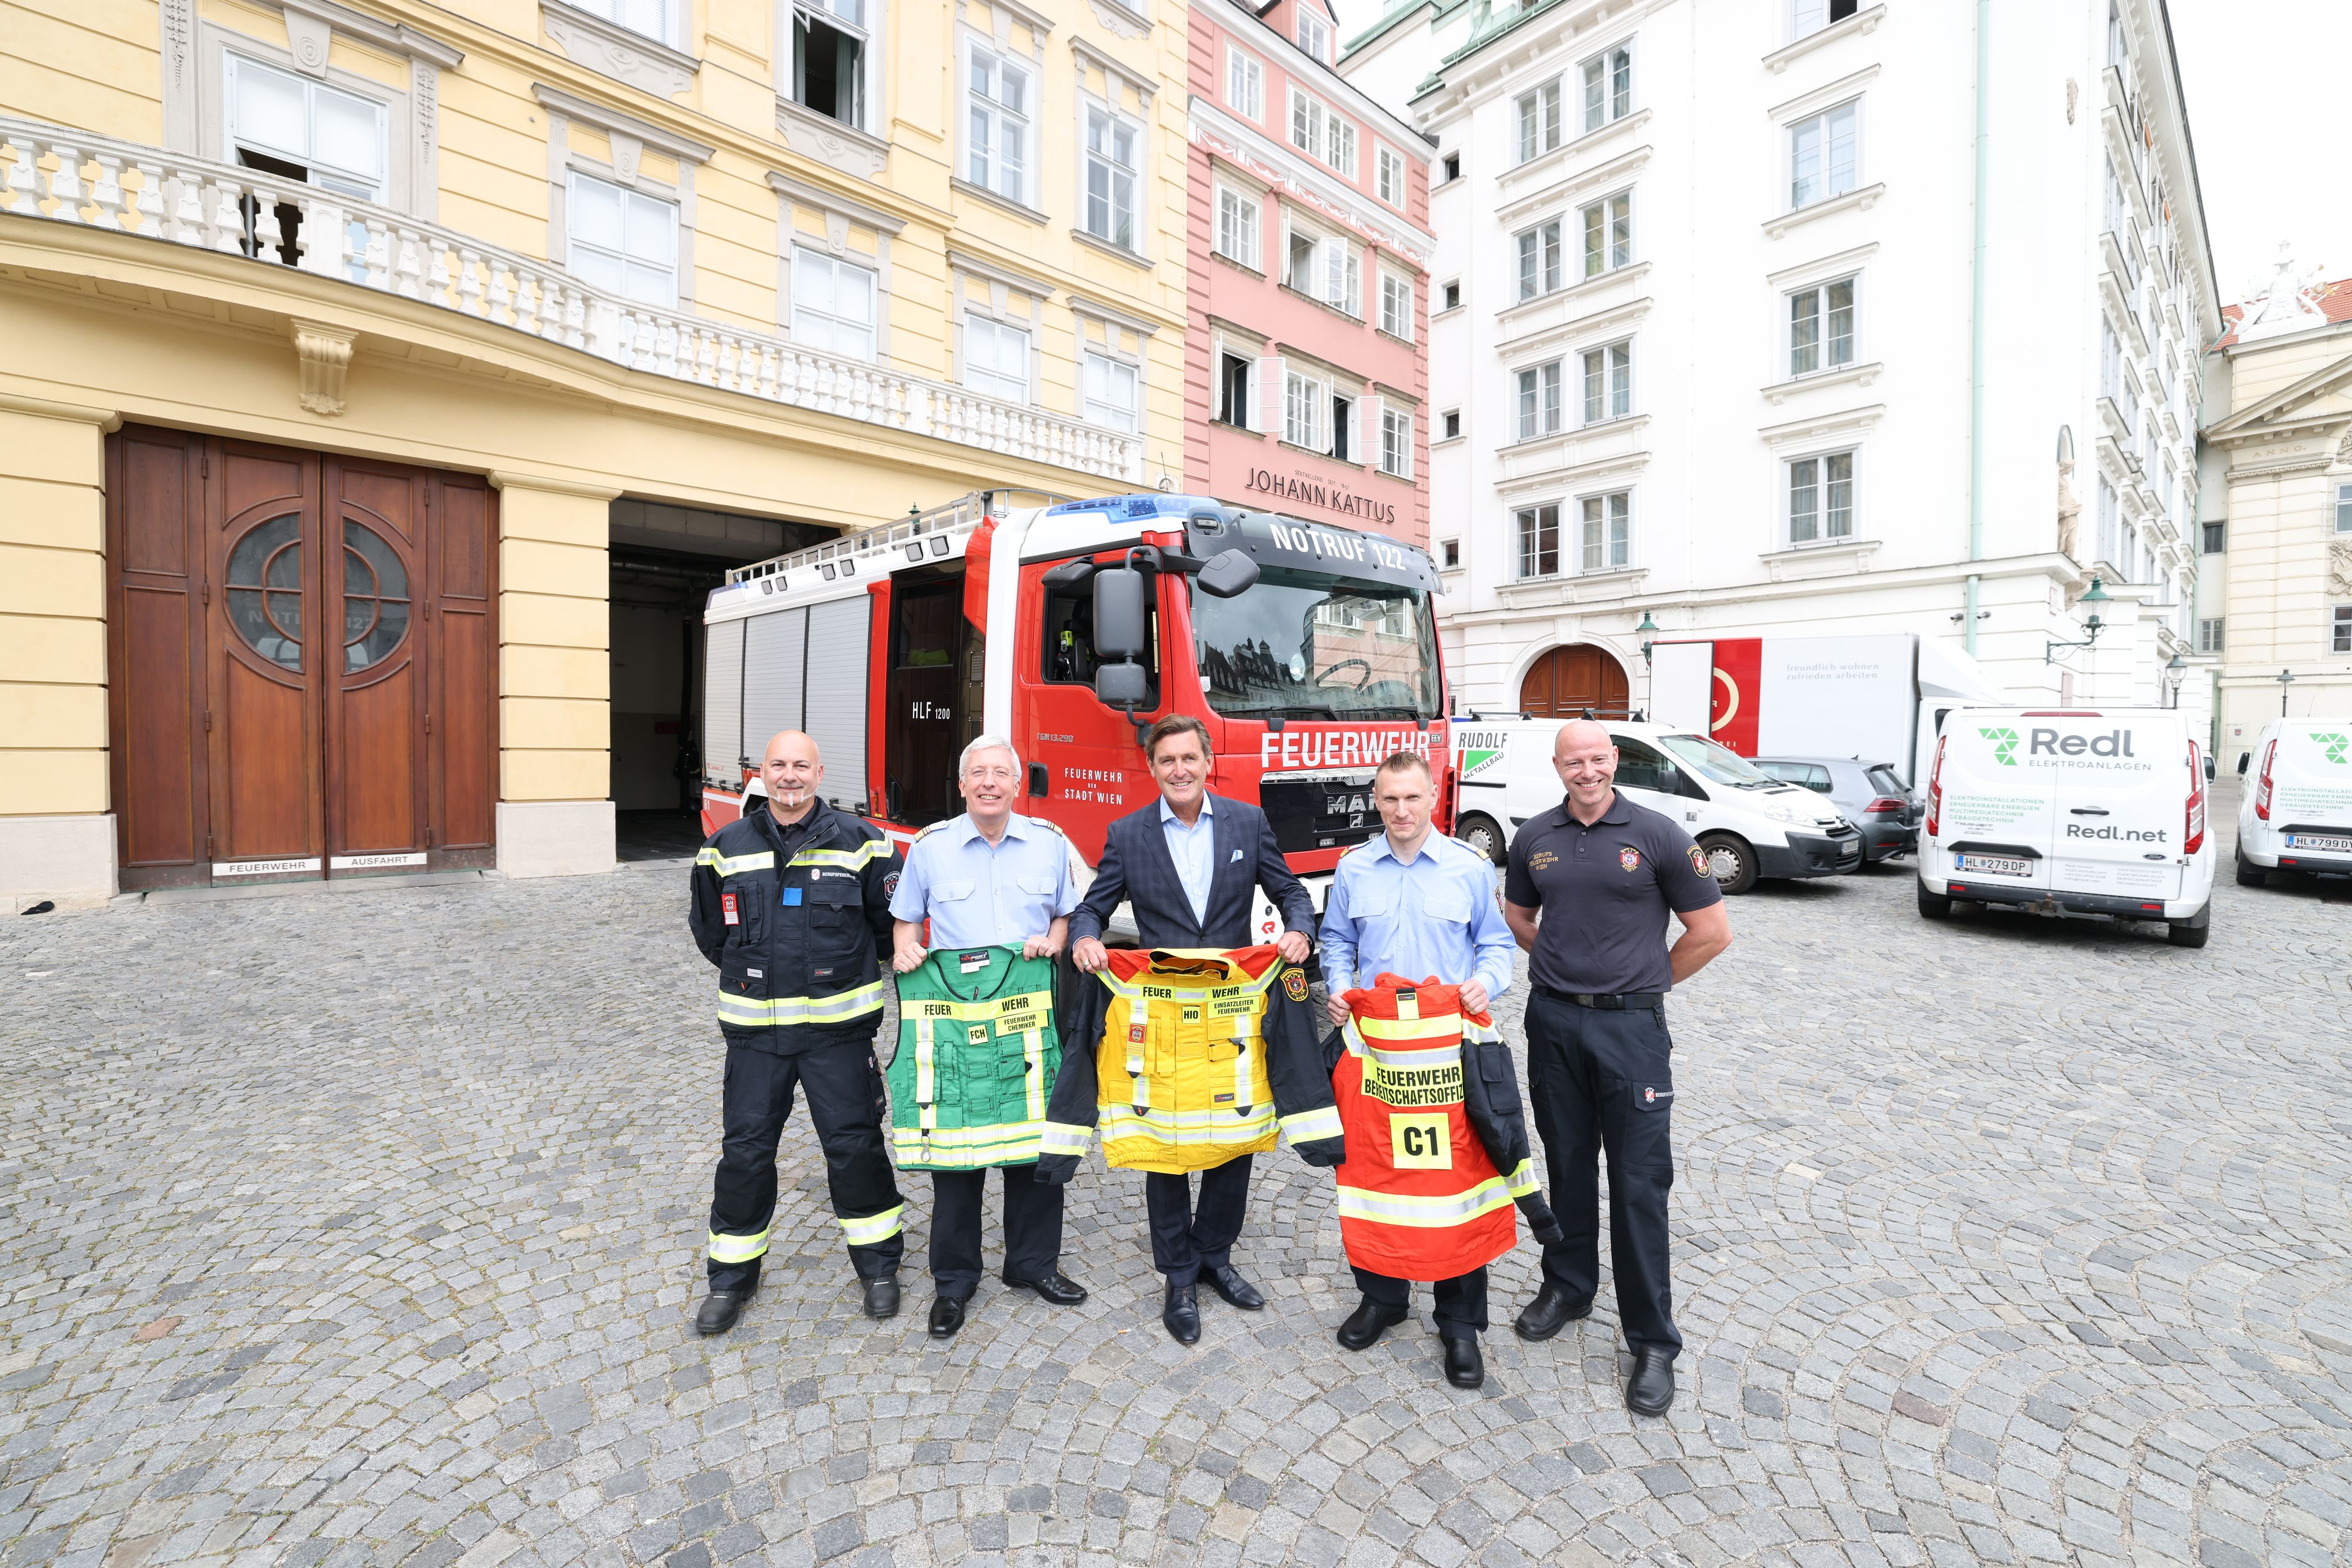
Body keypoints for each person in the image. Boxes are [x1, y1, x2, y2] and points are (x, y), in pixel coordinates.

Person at [1502, 719, 1732, 1416]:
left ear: (1614, 761)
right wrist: (1562, 963)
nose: (1587, 770)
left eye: (1598, 758)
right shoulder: (1533, 837)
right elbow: (1517, 914)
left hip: (1632, 1031)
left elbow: (1712, 933)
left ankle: (1652, 1341)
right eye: (1575, 761)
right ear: (1557, 766)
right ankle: (1569, 1288)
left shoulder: (1659, 834)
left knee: (1637, 1184)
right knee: (1567, 1163)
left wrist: (1644, 982)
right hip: (1553, 1022)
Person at [1069, 713, 1317, 1343]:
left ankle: (1215, 1258)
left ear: (1208, 762)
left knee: (1233, 1135)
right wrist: (1086, 938)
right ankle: (1178, 1275)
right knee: (1167, 1143)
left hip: (1234, 1010)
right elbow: (1093, 906)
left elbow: (1290, 892)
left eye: (1188, 758)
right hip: (1163, 1016)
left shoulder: (1247, 822)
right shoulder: (1127, 835)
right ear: (1152, 769)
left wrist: (1298, 931)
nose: (1178, 769)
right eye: (1166, 761)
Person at [1318, 751, 1556, 1390]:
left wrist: (1483, 984)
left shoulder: (1469, 868)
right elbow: (1336, 941)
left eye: (1412, 799)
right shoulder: (1353, 869)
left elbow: (1495, 943)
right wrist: (1339, 986)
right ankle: (1383, 1298)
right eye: (1389, 800)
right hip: (1376, 1057)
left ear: (1434, 799)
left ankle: (1459, 1325)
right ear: (1377, 800)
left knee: (1457, 1185)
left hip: (1449, 1059)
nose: (1401, 812)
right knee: (1376, 1174)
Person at [686, 730, 907, 1333]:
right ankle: (731, 1278)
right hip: (756, 1040)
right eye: (779, 765)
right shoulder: (723, 848)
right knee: (746, 1155)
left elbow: (892, 929)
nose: (789, 776)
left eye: (800, 766)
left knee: (854, 1149)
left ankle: (880, 1269)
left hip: (837, 1037)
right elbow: (712, 935)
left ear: (819, 773)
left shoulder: (865, 845)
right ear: (763, 772)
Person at [888, 735, 1088, 1339]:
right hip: (954, 1021)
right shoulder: (930, 848)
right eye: (977, 773)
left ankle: (1032, 1266)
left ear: (1017, 784)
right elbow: (905, 920)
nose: (988, 782)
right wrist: (904, 949)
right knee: (956, 1151)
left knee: (1034, 1145)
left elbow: (1067, 911)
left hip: (1028, 1013)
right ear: (961, 784)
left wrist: (1055, 940)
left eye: (1000, 773)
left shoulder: (1050, 845)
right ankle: (953, 1281)